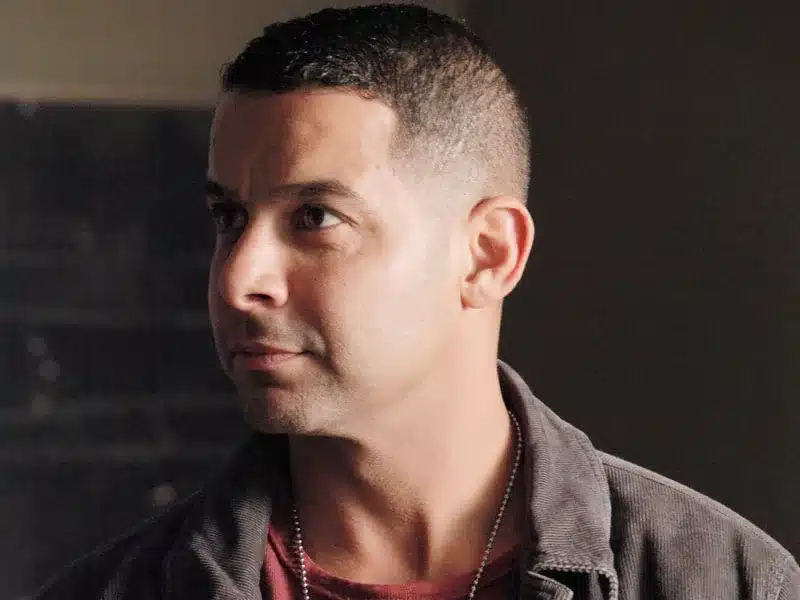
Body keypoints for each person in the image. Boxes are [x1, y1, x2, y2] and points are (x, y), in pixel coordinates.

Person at [34, 4, 798, 600]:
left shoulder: (723, 581)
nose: (239, 278)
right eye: (229, 218)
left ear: (488, 254)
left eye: (315, 217)